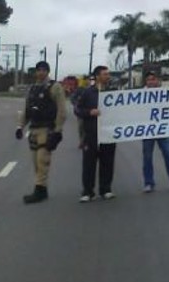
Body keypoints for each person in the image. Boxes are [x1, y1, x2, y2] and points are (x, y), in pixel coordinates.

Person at [15, 60, 68, 204]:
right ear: (35, 72)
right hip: (34, 129)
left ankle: (39, 190)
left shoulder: (54, 87)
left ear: (48, 72)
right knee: (35, 162)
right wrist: (20, 127)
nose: (41, 72)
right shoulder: (32, 89)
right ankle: (42, 189)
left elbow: (62, 110)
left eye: (44, 70)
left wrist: (58, 130)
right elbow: (27, 110)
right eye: (38, 70)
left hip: (47, 129)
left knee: (42, 160)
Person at [140, 70, 169, 193]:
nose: (151, 82)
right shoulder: (140, 95)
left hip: (163, 129)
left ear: (157, 81)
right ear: (146, 81)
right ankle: (148, 183)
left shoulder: (165, 93)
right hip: (147, 130)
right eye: (149, 79)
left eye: (153, 79)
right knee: (147, 157)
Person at [76, 65, 117, 202]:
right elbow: (78, 109)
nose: (108, 76)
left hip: (108, 134)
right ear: (98, 76)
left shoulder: (113, 92)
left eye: (108, 74)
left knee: (108, 163)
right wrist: (89, 112)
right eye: (105, 74)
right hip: (91, 134)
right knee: (89, 164)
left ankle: (106, 189)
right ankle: (88, 191)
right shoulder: (88, 93)